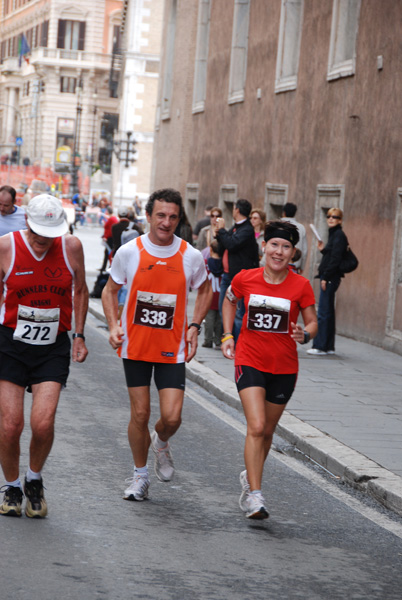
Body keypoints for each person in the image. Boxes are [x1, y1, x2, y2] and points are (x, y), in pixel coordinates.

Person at [101, 188, 212, 502]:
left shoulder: (189, 255)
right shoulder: (129, 252)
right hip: (135, 344)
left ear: (179, 219)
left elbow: (205, 291)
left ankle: (161, 442)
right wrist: (113, 325)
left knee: (172, 417)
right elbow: (110, 291)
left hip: (171, 347)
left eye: (173, 216)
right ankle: (140, 476)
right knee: (140, 413)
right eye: (160, 215)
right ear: (148, 216)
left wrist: (194, 327)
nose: (166, 222)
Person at [221, 220, 317, 519]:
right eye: (274, 244)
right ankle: (255, 495)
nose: (279, 251)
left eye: (286, 246)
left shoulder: (300, 285)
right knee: (257, 426)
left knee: (269, 431)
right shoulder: (245, 278)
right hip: (249, 359)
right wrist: (227, 335)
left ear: (293, 252)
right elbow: (229, 301)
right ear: (264, 247)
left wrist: (307, 334)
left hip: (285, 367)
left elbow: (313, 321)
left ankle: (250, 478)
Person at [0, 194, 89, 518]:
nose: (42, 242)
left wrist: (79, 334)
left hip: (52, 345)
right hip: (10, 342)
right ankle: (11, 486)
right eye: (38, 234)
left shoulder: (71, 247)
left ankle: (33, 479)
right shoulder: (6, 246)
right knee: (11, 425)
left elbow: (80, 289)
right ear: (26, 223)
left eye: (49, 236)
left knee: (43, 422)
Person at [215, 199, 259, 340]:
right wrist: (219, 234)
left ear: (237, 210)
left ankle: (239, 342)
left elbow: (232, 244)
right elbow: (224, 246)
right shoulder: (235, 228)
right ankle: (227, 339)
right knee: (224, 309)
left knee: (238, 312)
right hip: (227, 275)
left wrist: (222, 230)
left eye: (233, 208)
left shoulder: (247, 229)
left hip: (239, 277)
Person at [307, 207, 348, 356]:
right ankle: (328, 346)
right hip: (330, 277)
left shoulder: (338, 236)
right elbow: (332, 255)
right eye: (329, 216)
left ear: (340, 220)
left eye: (335, 217)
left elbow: (335, 260)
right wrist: (323, 250)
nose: (331, 219)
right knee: (328, 312)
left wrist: (325, 277)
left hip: (330, 278)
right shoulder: (335, 235)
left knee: (323, 312)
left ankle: (320, 346)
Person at [202, 240, 223, 348]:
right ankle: (218, 340)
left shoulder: (205, 263)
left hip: (209, 295)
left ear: (210, 250)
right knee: (219, 320)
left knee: (209, 320)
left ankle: (208, 340)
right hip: (221, 296)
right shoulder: (225, 264)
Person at [281, 202, 308, 273]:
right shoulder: (301, 228)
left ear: (284, 213)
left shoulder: (278, 225)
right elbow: (304, 251)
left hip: (278, 264)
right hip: (295, 266)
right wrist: (302, 266)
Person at [100, 206, 119, 271]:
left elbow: (110, 229)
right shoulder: (112, 218)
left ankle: (108, 266)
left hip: (110, 238)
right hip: (110, 237)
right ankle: (106, 266)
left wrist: (106, 236)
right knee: (108, 252)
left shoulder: (112, 219)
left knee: (108, 252)